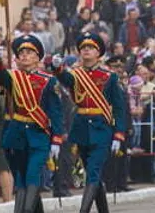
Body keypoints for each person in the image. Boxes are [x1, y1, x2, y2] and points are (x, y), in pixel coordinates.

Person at [55, 33, 128, 213]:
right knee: (92, 174)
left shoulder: (109, 77)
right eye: (83, 48)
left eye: (90, 48)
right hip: (81, 128)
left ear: (98, 53)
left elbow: (119, 108)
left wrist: (118, 134)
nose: (86, 50)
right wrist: (57, 68)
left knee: (94, 172)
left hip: (101, 128)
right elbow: (65, 79)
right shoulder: (75, 74)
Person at [0, 33, 63, 213]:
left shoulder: (48, 81)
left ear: (38, 58)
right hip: (17, 134)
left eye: (29, 52)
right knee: (21, 177)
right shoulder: (13, 77)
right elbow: (2, 78)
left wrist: (57, 138)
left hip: (38, 134)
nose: (24, 55)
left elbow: (55, 112)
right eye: (21, 53)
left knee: (32, 174)